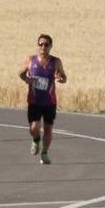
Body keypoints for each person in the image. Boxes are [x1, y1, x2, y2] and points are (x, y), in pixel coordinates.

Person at [19, 33, 67, 164]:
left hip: (49, 101)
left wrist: (60, 78)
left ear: (50, 46)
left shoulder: (56, 61)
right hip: (34, 100)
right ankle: (35, 140)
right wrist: (26, 79)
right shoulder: (31, 60)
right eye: (41, 44)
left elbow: (64, 78)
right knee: (33, 128)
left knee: (48, 128)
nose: (43, 47)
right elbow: (21, 73)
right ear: (38, 46)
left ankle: (44, 153)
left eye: (46, 44)